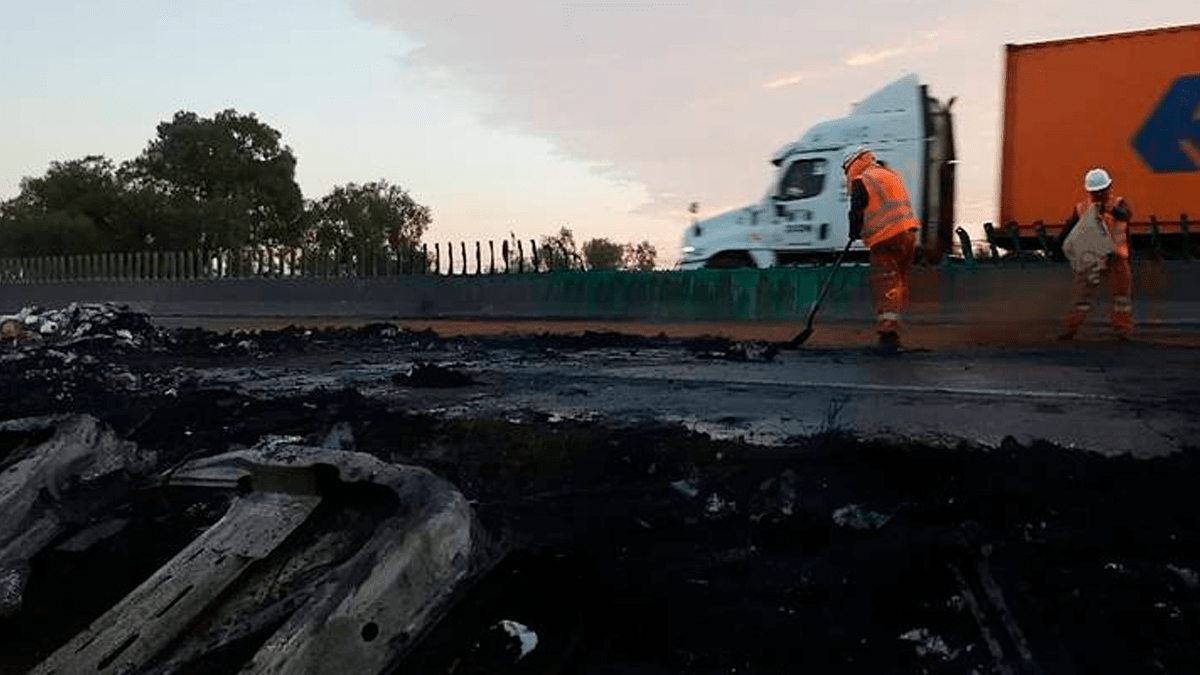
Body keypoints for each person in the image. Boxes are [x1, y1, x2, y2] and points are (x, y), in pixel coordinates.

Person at [843, 146, 920, 353]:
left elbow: (856, 211)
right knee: (898, 282)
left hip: (886, 238)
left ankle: (889, 335)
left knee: (885, 283)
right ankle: (894, 326)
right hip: (908, 234)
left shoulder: (863, 179)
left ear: (852, 163)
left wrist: (853, 233)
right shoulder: (888, 174)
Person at [1057, 167, 1133, 340]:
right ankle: (1070, 329)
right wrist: (1060, 247)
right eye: (1096, 192)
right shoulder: (1082, 208)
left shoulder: (1119, 204)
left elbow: (1125, 216)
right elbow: (1068, 230)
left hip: (1116, 258)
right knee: (1082, 297)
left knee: (1121, 297)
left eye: (1101, 191)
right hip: (1093, 259)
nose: (1099, 194)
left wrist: (1107, 209)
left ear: (1109, 188)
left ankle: (1122, 331)